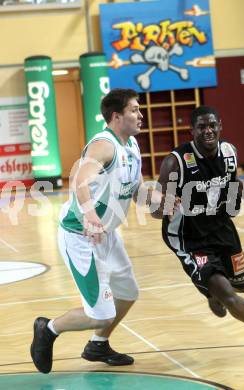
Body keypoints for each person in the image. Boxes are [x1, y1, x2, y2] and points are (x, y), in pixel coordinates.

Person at [30, 88, 158, 374]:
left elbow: (135, 190)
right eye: (135, 109)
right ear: (117, 116)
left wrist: (165, 204)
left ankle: (98, 345)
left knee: (128, 292)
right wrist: (90, 216)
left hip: (107, 233)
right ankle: (48, 329)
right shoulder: (104, 145)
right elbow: (78, 179)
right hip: (81, 236)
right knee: (101, 314)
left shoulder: (132, 146)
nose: (141, 114)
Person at [152, 105, 244, 360]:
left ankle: (213, 293)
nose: (208, 130)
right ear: (191, 131)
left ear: (220, 126)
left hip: (222, 228)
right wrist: (165, 205)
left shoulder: (229, 152)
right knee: (228, 294)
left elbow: (234, 185)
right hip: (189, 239)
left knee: (242, 286)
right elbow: (156, 209)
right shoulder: (175, 162)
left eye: (212, 125)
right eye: (202, 126)